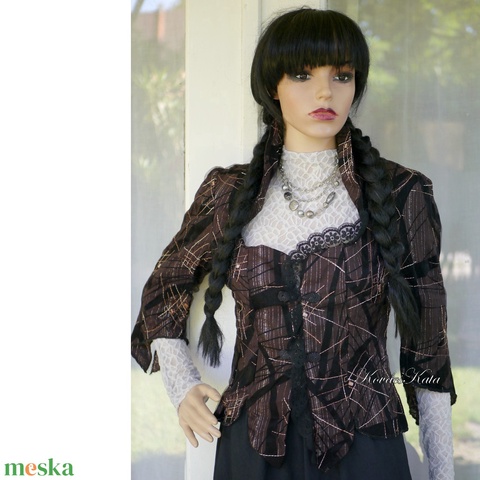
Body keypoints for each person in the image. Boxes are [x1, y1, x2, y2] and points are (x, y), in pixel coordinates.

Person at [132, 8, 456, 480]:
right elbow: (164, 290)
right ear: (272, 86)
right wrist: (181, 385)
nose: (325, 92)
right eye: (303, 75)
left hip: (366, 449)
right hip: (251, 451)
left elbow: (428, 350)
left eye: (341, 76)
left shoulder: (402, 194)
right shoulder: (228, 194)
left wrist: (443, 474)